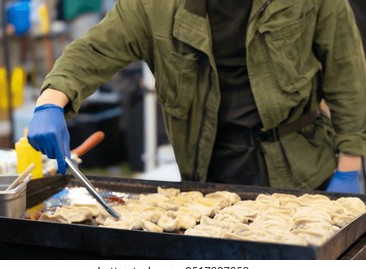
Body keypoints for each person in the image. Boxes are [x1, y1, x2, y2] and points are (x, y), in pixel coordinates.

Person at [27, 0, 366, 193]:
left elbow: (346, 72)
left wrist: (350, 167)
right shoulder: (152, 7)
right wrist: (51, 102)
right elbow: (93, 51)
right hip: (210, 177)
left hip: (304, 171)